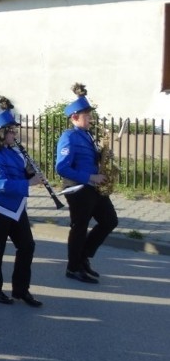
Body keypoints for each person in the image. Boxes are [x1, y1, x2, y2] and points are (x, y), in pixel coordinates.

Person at [0, 100, 43, 306]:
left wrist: (32, 172)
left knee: (27, 246)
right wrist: (28, 182)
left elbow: (21, 172)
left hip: (16, 207)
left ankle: (21, 290)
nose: (15, 135)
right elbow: (0, 183)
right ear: (0, 133)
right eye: (11, 131)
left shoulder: (14, 152)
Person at [55, 83, 118, 284]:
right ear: (74, 117)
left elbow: (87, 157)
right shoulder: (69, 137)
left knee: (110, 220)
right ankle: (73, 267)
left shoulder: (87, 135)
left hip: (93, 187)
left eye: (90, 115)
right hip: (78, 187)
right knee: (79, 227)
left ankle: (83, 257)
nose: (91, 119)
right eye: (87, 116)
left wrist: (102, 156)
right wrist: (91, 177)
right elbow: (62, 168)